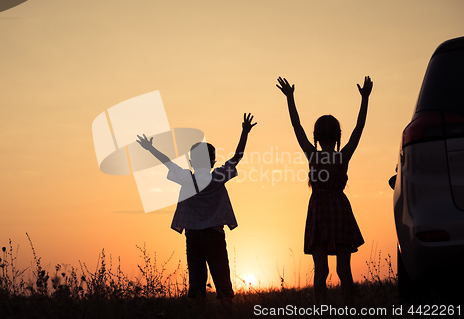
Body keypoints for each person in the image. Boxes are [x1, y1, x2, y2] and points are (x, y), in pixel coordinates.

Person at [136, 113, 256, 313]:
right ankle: (227, 310)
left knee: (197, 282)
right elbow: (237, 157)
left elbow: (167, 162)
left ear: (191, 162)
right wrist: (244, 132)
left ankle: (200, 313)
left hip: (194, 238)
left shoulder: (186, 179)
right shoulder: (218, 177)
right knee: (222, 280)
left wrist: (150, 148)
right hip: (215, 236)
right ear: (213, 161)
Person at [276, 76, 373, 304]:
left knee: (321, 271)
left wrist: (290, 97)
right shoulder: (343, 156)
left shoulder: (313, 156)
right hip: (340, 209)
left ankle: (320, 309)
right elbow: (360, 127)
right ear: (339, 136)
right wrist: (365, 99)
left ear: (316, 137)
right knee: (344, 270)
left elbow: (296, 126)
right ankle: (349, 307)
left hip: (318, 211)